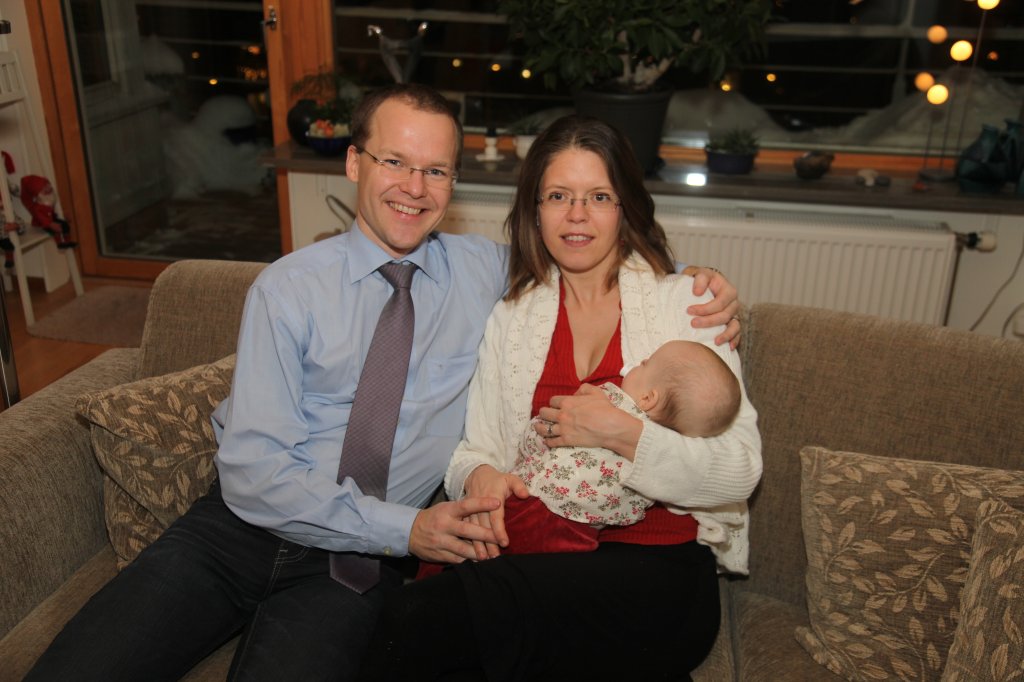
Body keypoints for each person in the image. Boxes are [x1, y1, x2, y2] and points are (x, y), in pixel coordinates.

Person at [26, 87, 740, 682]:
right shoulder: (288, 289)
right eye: (394, 161)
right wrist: (410, 530)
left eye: (436, 170)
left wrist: (696, 282)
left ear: (453, 184)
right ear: (353, 162)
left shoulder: (488, 274)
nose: (414, 187)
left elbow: (581, 244)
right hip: (234, 534)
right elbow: (253, 472)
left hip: (352, 567)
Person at [358, 114, 762, 682]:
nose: (577, 215)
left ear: (625, 207)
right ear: (534, 210)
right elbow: (473, 451)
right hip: (539, 552)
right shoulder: (511, 316)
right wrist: (480, 477)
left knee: (419, 617)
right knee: (440, 630)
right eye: (557, 196)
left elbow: (741, 471)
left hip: (656, 568)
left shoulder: (687, 305)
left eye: (598, 196)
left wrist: (624, 434)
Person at [500, 339, 742, 555]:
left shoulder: (608, 400)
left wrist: (528, 442)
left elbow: (541, 433)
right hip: (580, 532)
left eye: (647, 363)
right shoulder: (654, 473)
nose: (642, 361)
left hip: (533, 500)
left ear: (648, 398)